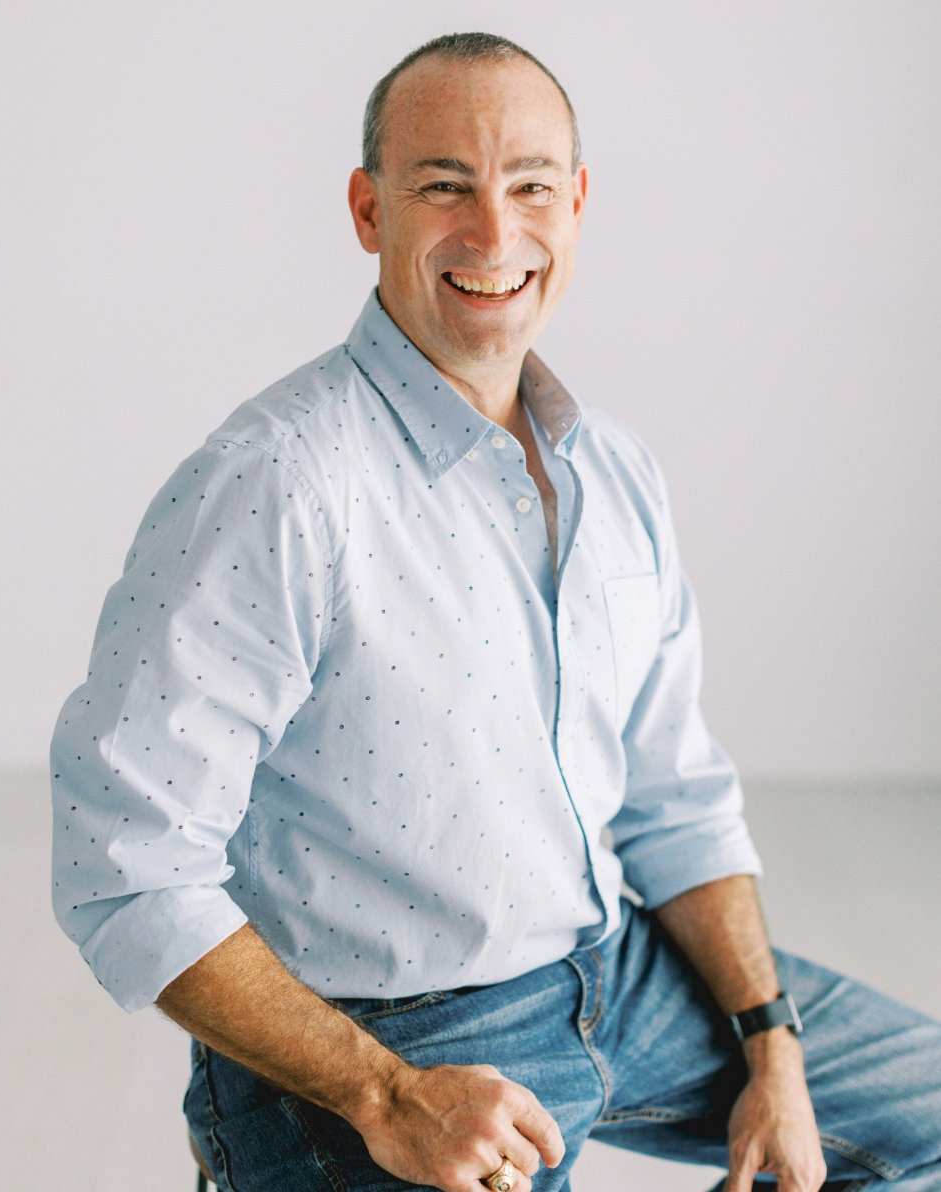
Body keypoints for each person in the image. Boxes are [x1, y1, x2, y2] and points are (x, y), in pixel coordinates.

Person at [51, 31, 940, 1192]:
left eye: (528, 187)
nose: (493, 234)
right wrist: (387, 1094)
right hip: (387, 1036)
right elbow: (125, 861)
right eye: (443, 188)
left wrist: (772, 1044)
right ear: (368, 211)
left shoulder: (615, 473)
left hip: (611, 977)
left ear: (575, 205)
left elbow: (671, 796)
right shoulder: (274, 483)